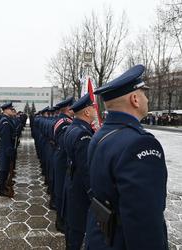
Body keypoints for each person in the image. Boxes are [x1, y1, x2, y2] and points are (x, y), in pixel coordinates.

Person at [86, 64, 168, 250]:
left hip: (100, 236)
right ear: (135, 99)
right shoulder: (140, 144)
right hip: (120, 241)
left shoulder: (101, 134)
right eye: (144, 93)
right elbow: (144, 222)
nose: (147, 99)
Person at [63, 93, 96, 250]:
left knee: (72, 223)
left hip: (72, 180)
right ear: (87, 112)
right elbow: (86, 169)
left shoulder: (73, 127)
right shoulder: (83, 133)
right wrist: (93, 195)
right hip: (79, 186)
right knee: (77, 227)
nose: (96, 110)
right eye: (93, 107)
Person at [52, 97, 74, 233]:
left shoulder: (64, 120)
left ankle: (62, 218)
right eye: (72, 107)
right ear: (67, 108)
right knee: (61, 191)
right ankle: (60, 221)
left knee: (61, 190)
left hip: (60, 157)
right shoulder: (65, 123)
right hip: (62, 160)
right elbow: (65, 145)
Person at [0, 102, 16, 198]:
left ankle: (4, 185)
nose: (12, 110)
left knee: (6, 167)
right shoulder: (5, 121)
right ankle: (1, 189)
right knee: (4, 168)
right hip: (5, 147)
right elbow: (6, 138)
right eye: (10, 109)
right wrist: (9, 151)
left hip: (7, 146)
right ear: (5, 110)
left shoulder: (7, 119)